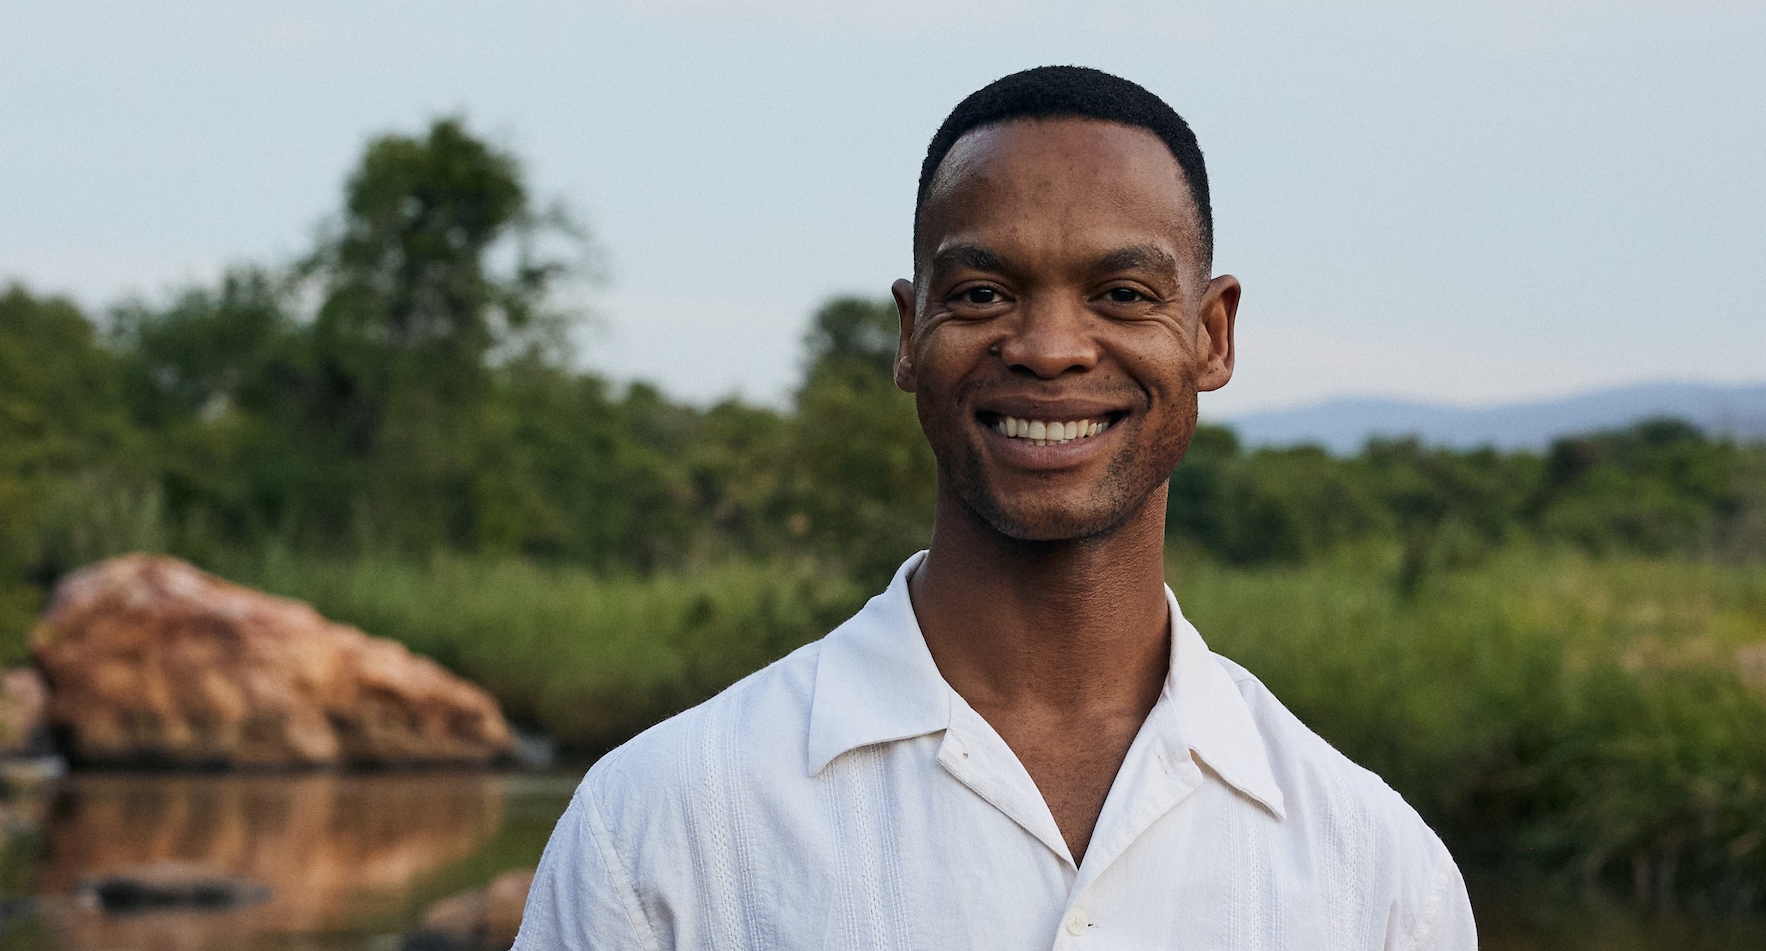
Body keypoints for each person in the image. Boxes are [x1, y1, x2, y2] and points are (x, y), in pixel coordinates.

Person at [512, 66, 1476, 950]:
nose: (1050, 346)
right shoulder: (660, 832)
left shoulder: (1380, 877)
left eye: (1123, 293)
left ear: (1212, 337)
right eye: (981, 291)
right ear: (908, 334)